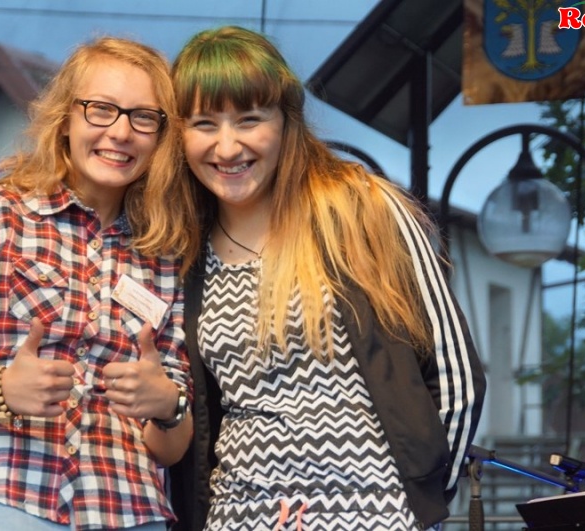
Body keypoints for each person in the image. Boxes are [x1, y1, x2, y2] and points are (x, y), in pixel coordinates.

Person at [167, 26, 487, 531]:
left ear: (285, 121)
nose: (227, 147)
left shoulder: (363, 209)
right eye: (204, 123)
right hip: (239, 516)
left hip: (374, 514)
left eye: (249, 119)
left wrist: (421, 497)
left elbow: (456, 376)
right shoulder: (184, 249)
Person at [0, 35, 192, 531]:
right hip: (3, 497)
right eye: (101, 109)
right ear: (66, 118)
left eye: (143, 117)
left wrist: (166, 406)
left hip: (130, 511)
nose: (121, 132)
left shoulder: (163, 254)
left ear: (161, 136)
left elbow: (171, 446)